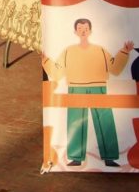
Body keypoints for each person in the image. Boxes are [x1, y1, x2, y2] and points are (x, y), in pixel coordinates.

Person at [43, 18, 133, 168]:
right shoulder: (69, 51)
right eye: (80, 28)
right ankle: (76, 157)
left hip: (98, 88)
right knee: (76, 122)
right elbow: (57, 73)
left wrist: (124, 52)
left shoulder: (100, 50)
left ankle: (109, 157)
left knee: (105, 121)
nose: (83, 31)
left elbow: (115, 68)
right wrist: (45, 60)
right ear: (75, 32)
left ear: (90, 31)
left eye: (85, 28)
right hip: (76, 88)